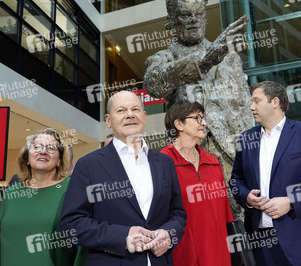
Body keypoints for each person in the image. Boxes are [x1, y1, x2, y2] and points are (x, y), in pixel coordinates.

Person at [144, 0, 253, 217]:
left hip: (234, 156)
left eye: (198, 14)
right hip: (190, 158)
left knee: (244, 227)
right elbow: (154, 84)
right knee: (201, 224)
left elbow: (244, 106)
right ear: (171, 21)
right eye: (185, 15)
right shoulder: (162, 58)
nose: (193, 20)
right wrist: (204, 61)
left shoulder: (229, 56)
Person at [60, 91, 187, 266]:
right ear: (108, 120)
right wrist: (123, 237)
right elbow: (71, 225)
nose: (130, 114)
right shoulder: (88, 165)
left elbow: (177, 214)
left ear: (144, 116)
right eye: (121, 110)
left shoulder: (164, 163)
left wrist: (168, 234)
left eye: (135, 109)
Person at [230, 81, 301, 266]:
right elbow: (236, 180)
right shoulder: (246, 138)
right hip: (261, 242)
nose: (251, 107)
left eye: (256, 101)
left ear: (274, 102)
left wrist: (290, 202)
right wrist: (247, 197)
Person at [161, 101, 233, 266]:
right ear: (179, 124)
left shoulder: (212, 161)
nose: (204, 123)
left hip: (219, 251)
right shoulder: (163, 162)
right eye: (197, 118)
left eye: (203, 118)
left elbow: (225, 212)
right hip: (183, 252)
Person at [0, 128, 78, 265]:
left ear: (59, 159)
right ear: (27, 158)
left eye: (51, 148)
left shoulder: (73, 190)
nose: (43, 151)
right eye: (36, 147)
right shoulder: (11, 193)